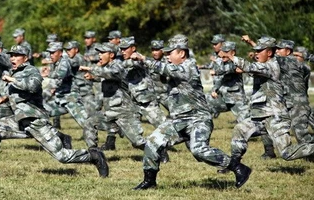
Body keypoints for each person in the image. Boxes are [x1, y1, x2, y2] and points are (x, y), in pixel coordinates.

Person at [134, 34, 250, 190]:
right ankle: (150, 181)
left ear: (181, 53)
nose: (167, 56)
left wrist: (143, 58)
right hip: (178, 120)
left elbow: (165, 68)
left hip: (198, 119)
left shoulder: (188, 66)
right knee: (152, 143)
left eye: (170, 53)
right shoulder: (174, 67)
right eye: (166, 53)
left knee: (198, 150)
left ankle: (237, 167)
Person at [0, 45, 108, 178]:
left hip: (35, 121)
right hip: (19, 119)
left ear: (26, 58)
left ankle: (94, 156)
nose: (12, 58)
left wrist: (13, 80)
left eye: (16, 55)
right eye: (11, 55)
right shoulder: (13, 71)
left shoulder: (31, 70)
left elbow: (34, 86)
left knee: (62, 156)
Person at [226, 36, 314, 170]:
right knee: (240, 129)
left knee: (287, 153)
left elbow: (251, 66)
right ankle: (235, 165)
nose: (256, 53)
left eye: (260, 51)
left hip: (276, 116)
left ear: (269, 53)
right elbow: (253, 67)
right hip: (262, 116)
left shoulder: (273, 65)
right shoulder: (266, 64)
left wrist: (230, 56)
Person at [80, 42, 146, 151]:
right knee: (90, 123)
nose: (100, 55)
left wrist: (90, 69)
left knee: (138, 142)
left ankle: (159, 151)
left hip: (125, 113)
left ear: (111, 55)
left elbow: (111, 74)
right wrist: (93, 77)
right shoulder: (106, 67)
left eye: (102, 52)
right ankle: (94, 154)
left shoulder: (118, 66)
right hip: (111, 113)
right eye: (99, 53)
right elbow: (106, 78)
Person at [208, 41, 249, 123]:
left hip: (236, 99)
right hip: (223, 97)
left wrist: (216, 71)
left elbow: (229, 69)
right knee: (204, 102)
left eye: (226, 52)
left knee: (246, 123)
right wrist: (214, 90)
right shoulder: (223, 62)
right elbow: (221, 79)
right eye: (221, 51)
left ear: (233, 53)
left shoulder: (236, 62)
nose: (222, 54)